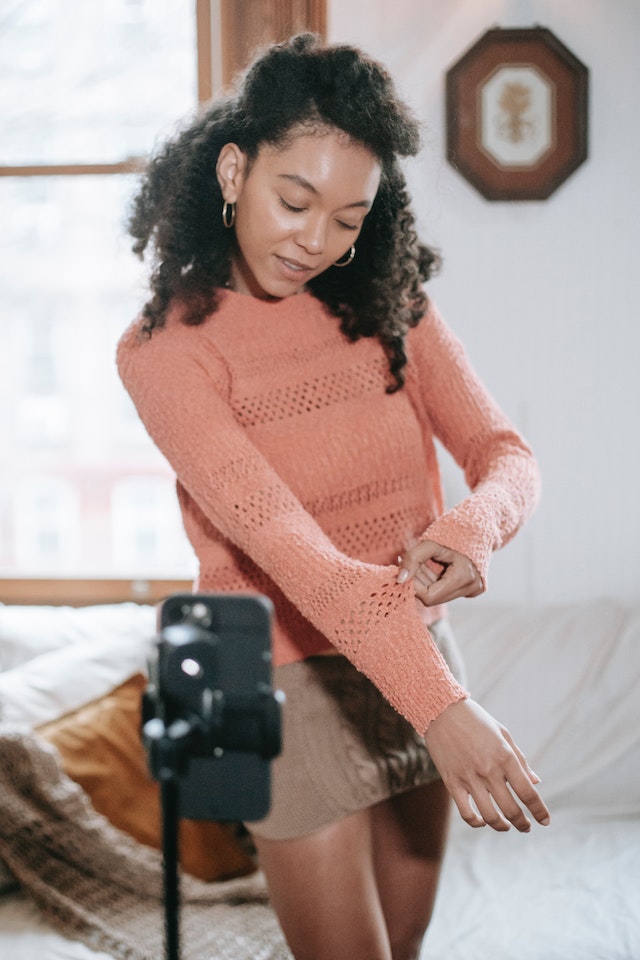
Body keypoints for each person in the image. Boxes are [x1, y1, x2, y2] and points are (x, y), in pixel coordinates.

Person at [117, 33, 550, 960]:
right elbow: (295, 555)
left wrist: (474, 529)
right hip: (272, 670)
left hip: (410, 645)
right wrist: (443, 710)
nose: (318, 241)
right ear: (234, 170)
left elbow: (504, 452)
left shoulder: (388, 301)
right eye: (295, 201)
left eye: (351, 217)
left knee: (406, 941)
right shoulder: (167, 352)